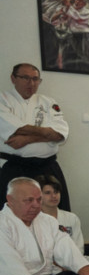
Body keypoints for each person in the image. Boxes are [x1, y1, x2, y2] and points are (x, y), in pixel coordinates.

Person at [0, 64, 70, 211]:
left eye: (35, 79)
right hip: (16, 168)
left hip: (47, 167)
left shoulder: (48, 102)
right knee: (16, 215)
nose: (31, 83)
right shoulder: (3, 100)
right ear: (13, 78)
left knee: (54, 213)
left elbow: (59, 134)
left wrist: (27, 139)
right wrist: (46, 132)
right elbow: (17, 130)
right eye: (25, 78)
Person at [37, 174, 84, 254]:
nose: (53, 196)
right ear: (38, 195)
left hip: (71, 262)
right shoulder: (34, 220)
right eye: (48, 193)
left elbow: (79, 248)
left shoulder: (72, 218)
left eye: (56, 192)